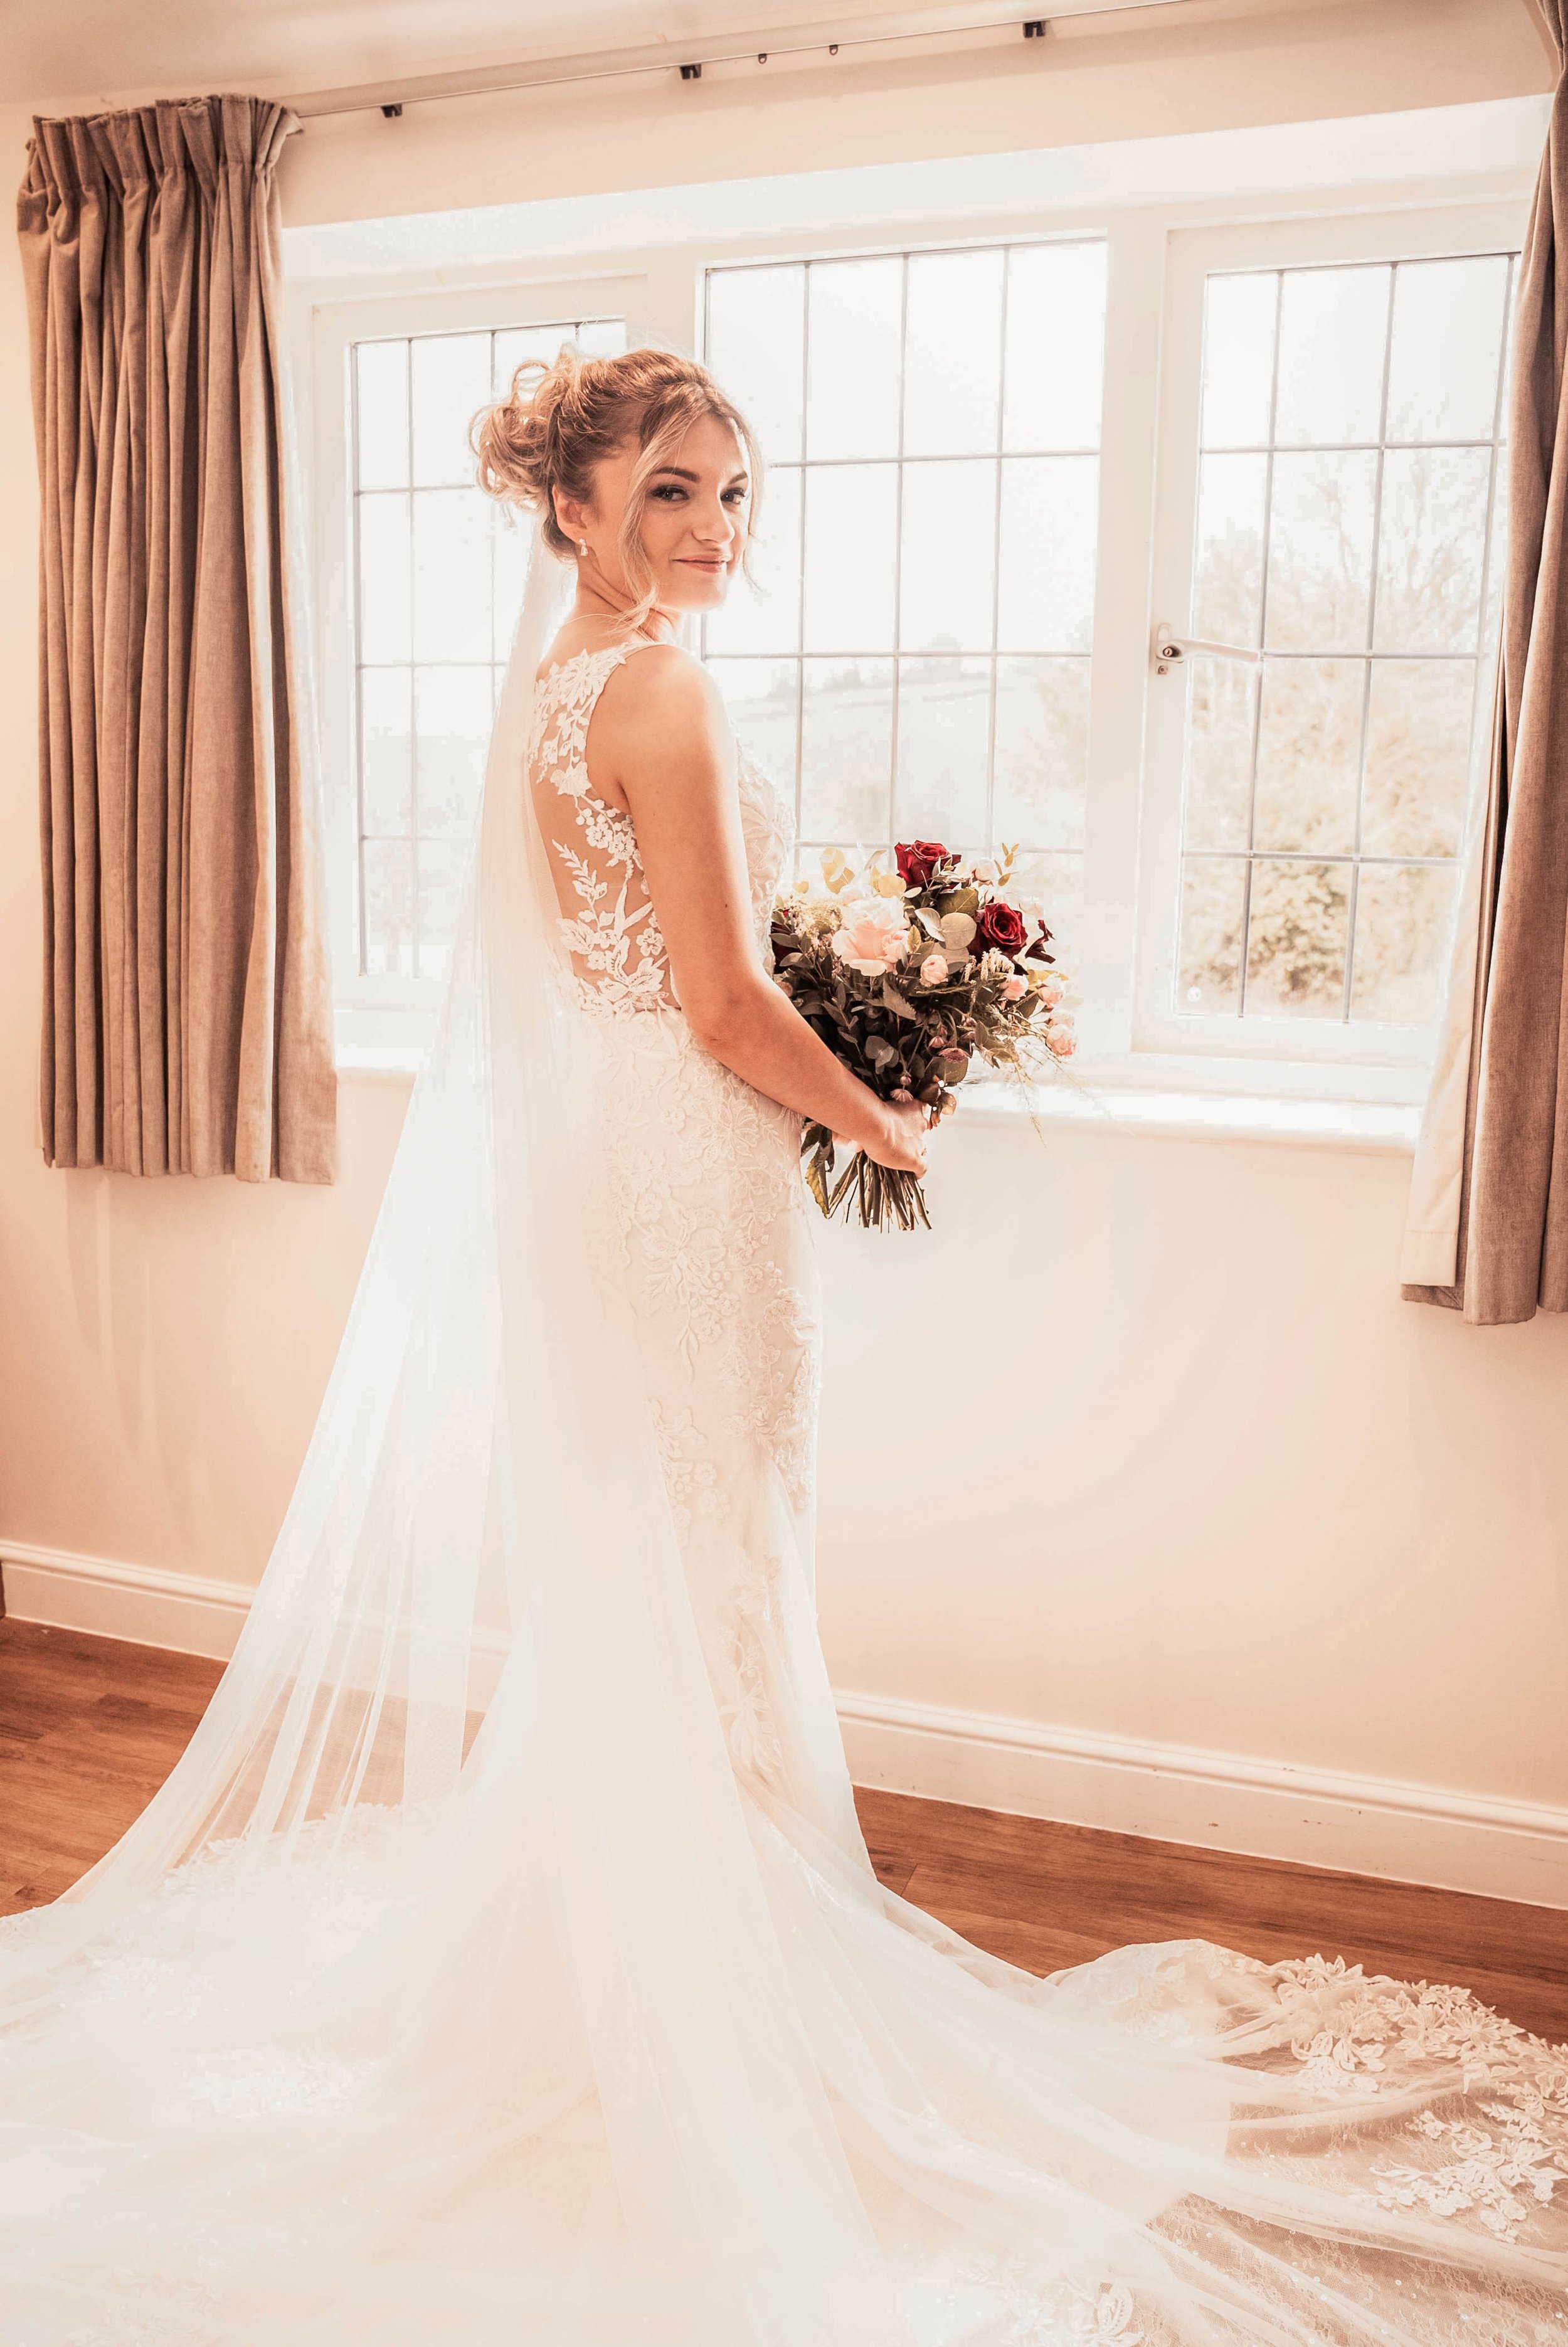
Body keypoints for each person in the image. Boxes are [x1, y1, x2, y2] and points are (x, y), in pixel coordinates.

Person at [0, 346, 1561, 2346]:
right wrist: (885, 1113)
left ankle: (628, 1949)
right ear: (565, 506)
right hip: (681, 1165)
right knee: (717, 1547)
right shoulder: (657, 690)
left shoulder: (550, 689)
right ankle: (701, 1993)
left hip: (604, 1160)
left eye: (736, 491)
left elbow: (634, 967)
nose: (713, 528)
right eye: (669, 491)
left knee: (650, 1560)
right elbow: (728, 1005)